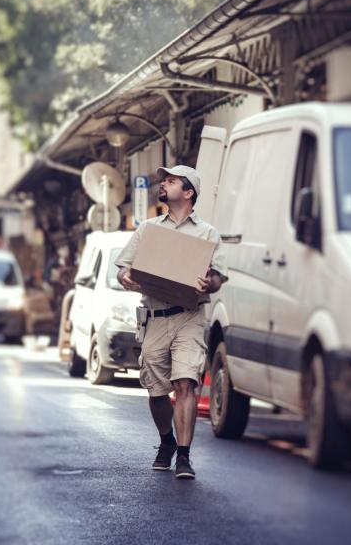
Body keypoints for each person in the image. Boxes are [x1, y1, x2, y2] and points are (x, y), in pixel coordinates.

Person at [115, 165, 227, 480]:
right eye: (163, 181)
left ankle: (185, 456)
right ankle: (167, 441)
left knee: (186, 382)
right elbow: (123, 268)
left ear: (188, 192)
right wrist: (125, 277)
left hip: (189, 316)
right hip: (154, 317)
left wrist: (210, 283)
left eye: (171, 181)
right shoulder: (148, 228)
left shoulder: (207, 233)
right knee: (155, 389)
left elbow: (217, 276)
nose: (163, 184)